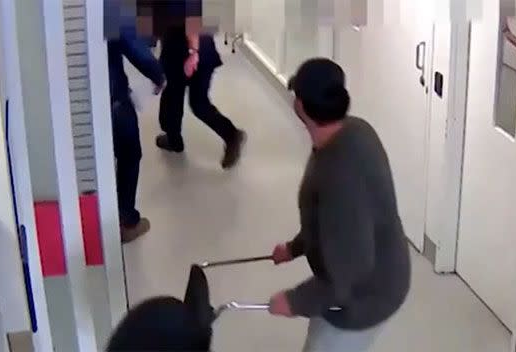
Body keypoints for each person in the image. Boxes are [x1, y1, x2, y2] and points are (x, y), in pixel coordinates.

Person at [268, 58, 412, 352]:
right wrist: (295, 247)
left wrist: (295, 300)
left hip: (367, 294)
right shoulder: (353, 130)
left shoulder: (340, 175)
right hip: (362, 275)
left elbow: (352, 269)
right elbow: (328, 220)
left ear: (302, 107)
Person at [152, 0, 246, 168]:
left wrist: (193, 52)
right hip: (194, 48)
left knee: (177, 98)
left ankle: (174, 140)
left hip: (186, 51)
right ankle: (231, 134)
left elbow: (191, 17)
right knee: (193, 101)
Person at [108, 24, 166, 243]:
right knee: (130, 154)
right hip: (112, 96)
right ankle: (126, 221)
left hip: (75, 99)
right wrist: (158, 74)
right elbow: (130, 42)